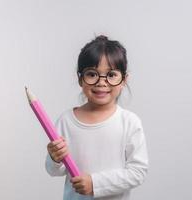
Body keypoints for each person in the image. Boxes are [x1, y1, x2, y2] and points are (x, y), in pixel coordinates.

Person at [45, 35, 149, 200]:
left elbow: (138, 172)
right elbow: (54, 171)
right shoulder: (66, 121)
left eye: (111, 74)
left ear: (124, 80)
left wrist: (95, 183)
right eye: (92, 74)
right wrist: (54, 158)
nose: (102, 82)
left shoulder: (129, 122)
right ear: (80, 79)